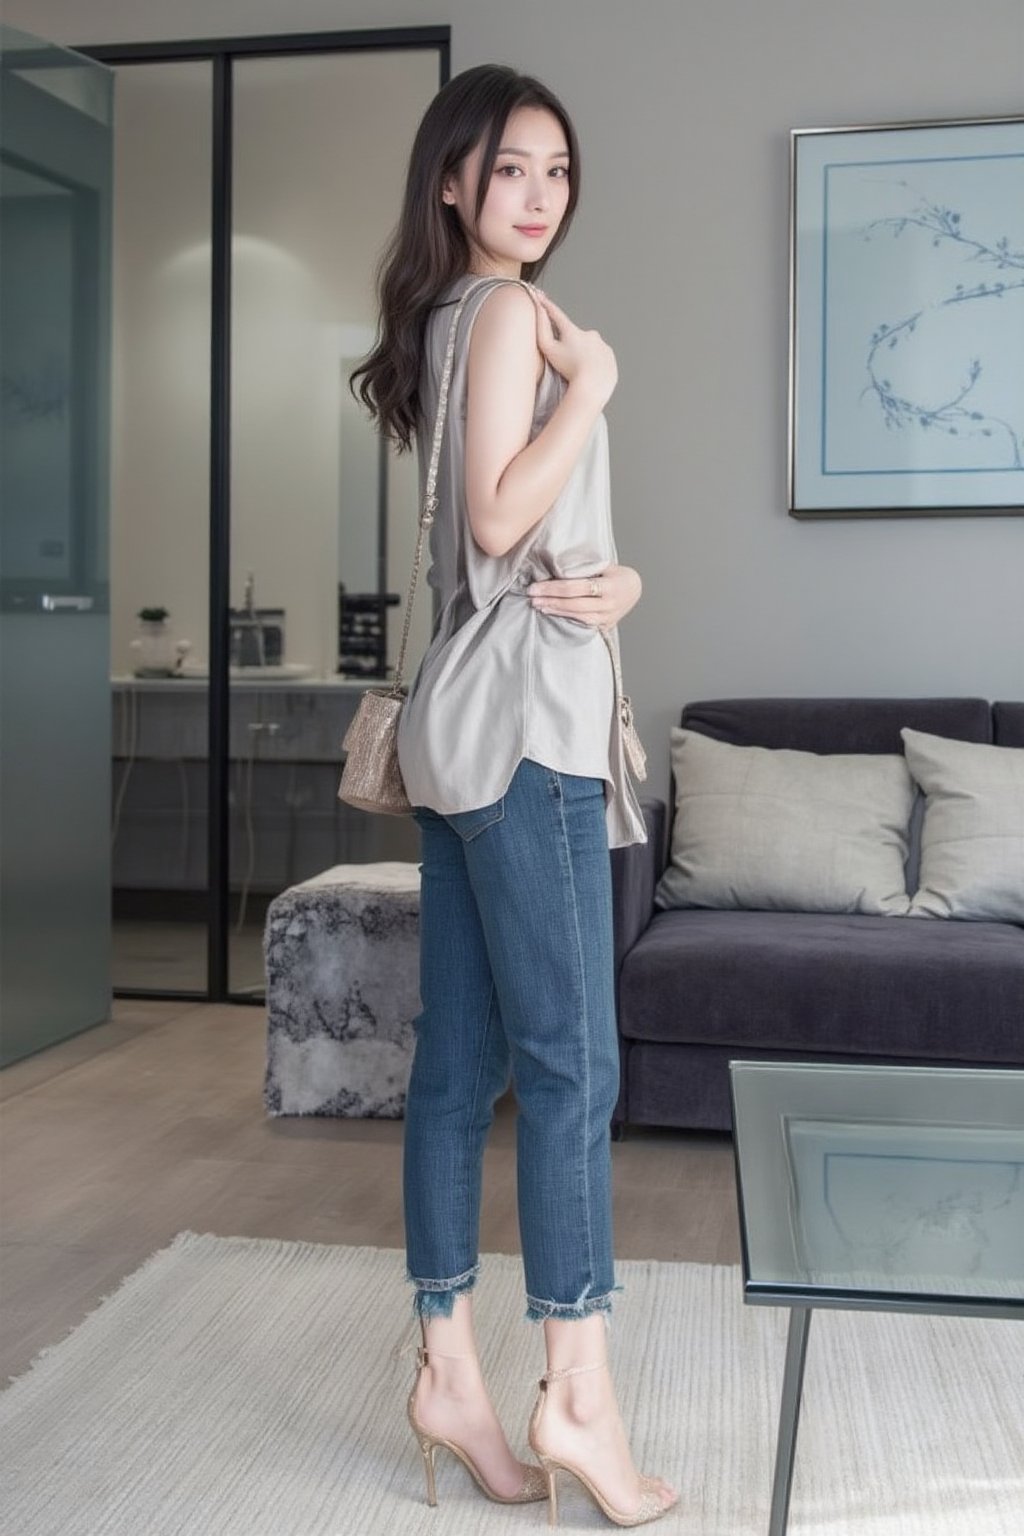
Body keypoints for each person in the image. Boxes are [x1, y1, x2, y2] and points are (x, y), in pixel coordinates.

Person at [350, 62, 679, 1529]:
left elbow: (498, 549)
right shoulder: (501, 318)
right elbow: (499, 514)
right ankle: (578, 1397)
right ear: (452, 181)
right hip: (530, 737)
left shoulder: (451, 318)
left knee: (457, 1066)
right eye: (510, 171)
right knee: (572, 1070)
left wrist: (617, 579)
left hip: (461, 733)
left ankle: (448, 1371)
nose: (538, 195)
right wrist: (597, 386)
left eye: (556, 171)